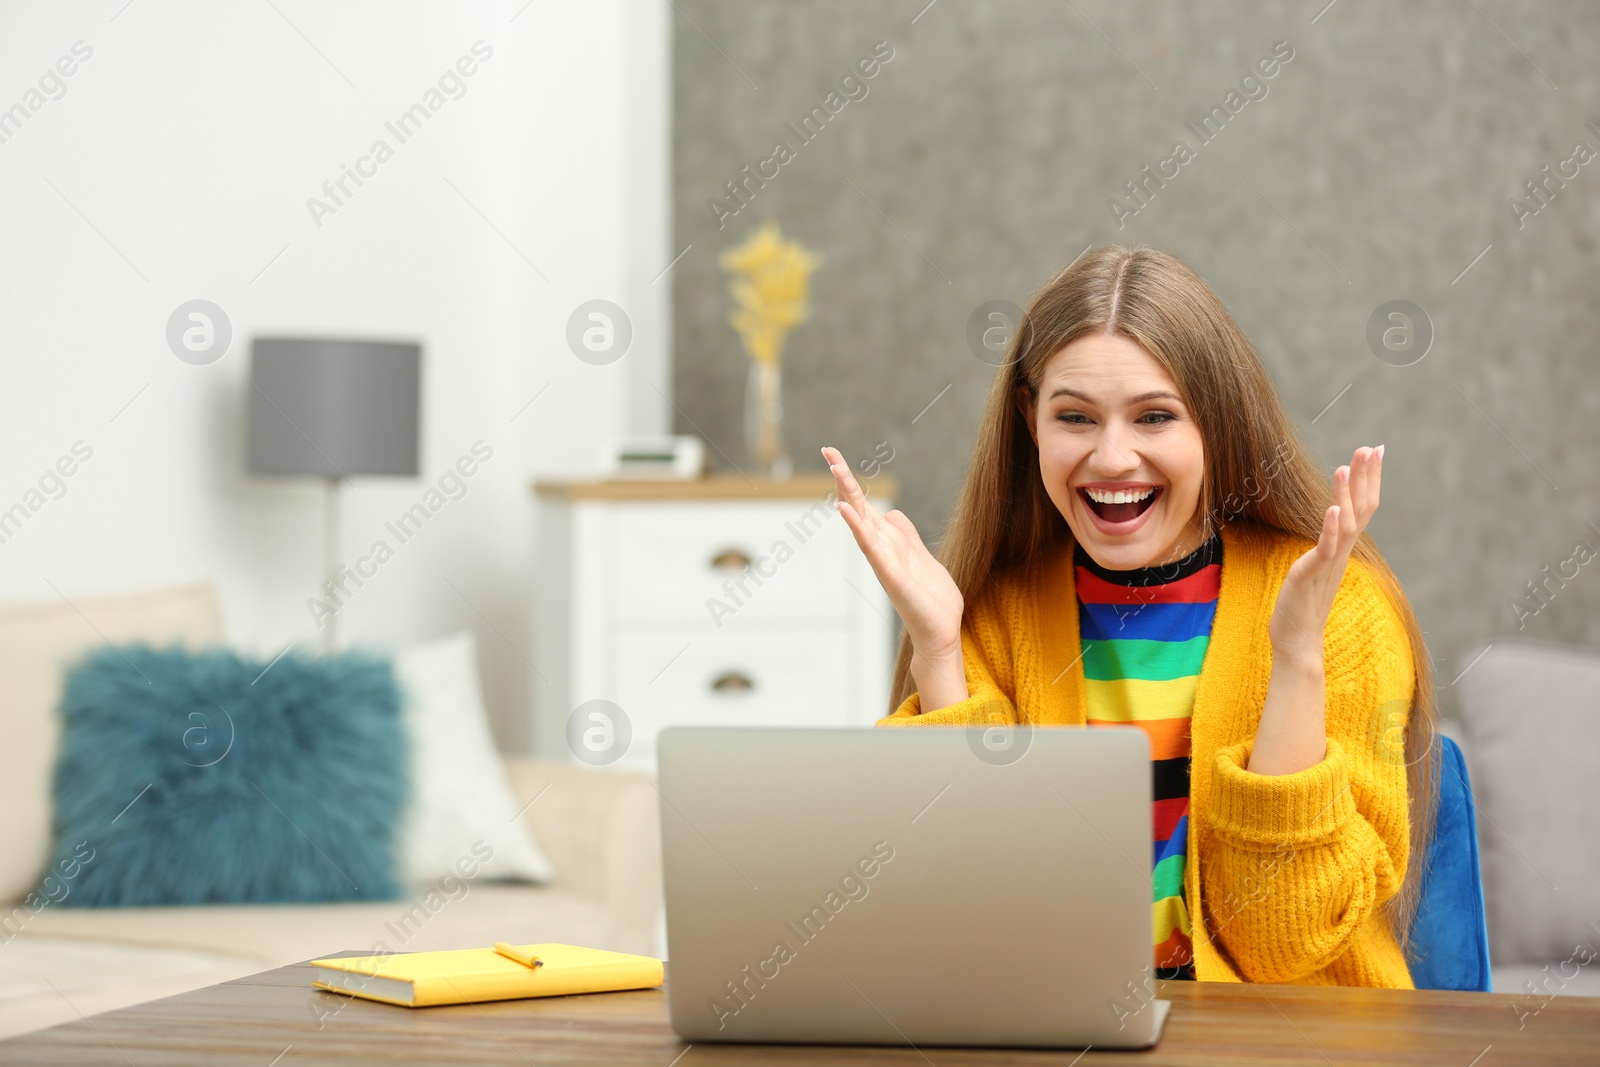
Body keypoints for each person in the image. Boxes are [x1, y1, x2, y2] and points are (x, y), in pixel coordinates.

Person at [822, 244, 1438, 988]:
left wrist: (1297, 656)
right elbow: (969, 925)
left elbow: (1286, 944)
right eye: (1075, 417)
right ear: (1030, 419)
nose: (1113, 458)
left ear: (1216, 420)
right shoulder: (993, 613)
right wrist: (939, 648)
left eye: (1154, 417)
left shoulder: (1342, 611)